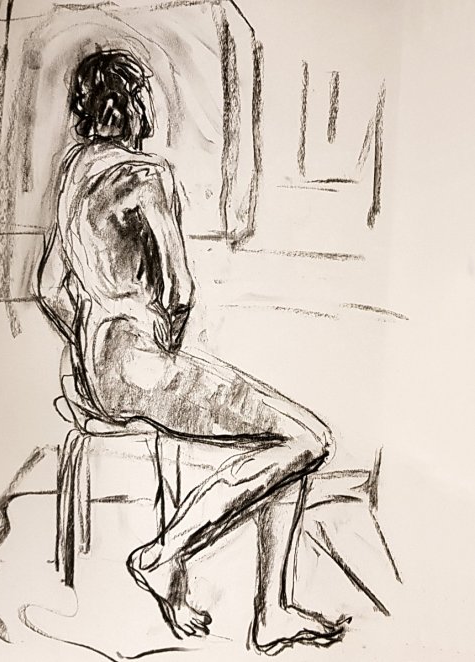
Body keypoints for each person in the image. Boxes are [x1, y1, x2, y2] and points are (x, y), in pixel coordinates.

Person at [36, 49, 350, 654]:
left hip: (99, 366)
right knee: (307, 439)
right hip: (143, 366)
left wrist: (92, 350)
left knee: (284, 445)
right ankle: (168, 553)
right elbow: (179, 289)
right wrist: (162, 342)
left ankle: (273, 611)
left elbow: (49, 287)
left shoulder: (73, 172)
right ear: (132, 105)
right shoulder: (145, 176)